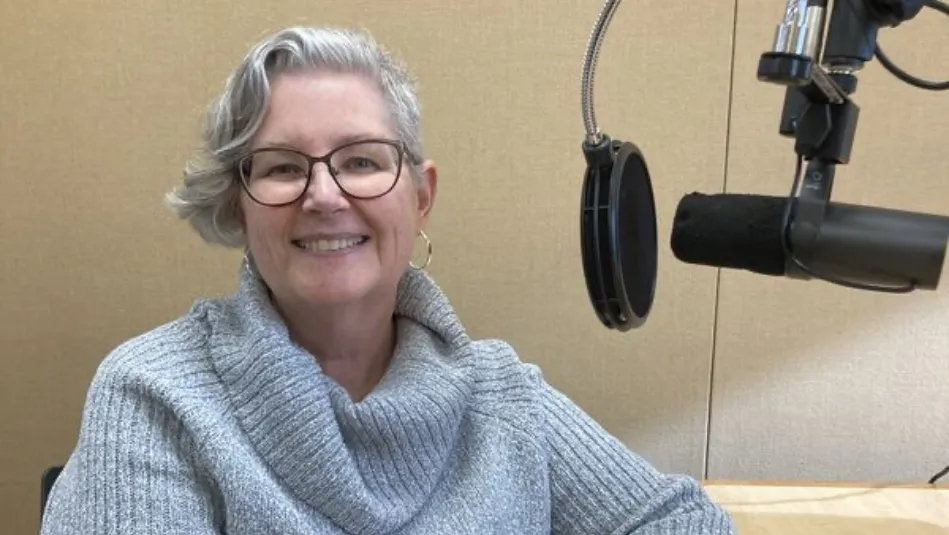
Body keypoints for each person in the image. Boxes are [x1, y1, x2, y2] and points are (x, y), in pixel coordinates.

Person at [40, 26, 736, 535]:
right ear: (237, 205)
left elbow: (682, 522)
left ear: (419, 195)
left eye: (363, 161)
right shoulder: (155, 396)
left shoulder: (502, 395)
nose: (324, 195)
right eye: (283, 166)